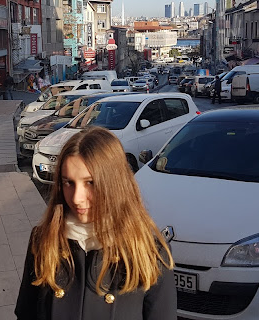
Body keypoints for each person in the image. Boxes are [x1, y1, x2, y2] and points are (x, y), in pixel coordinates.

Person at [15, 127, 176, 320]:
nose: (77, 198)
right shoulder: (43, 241)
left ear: (115, 184)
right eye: (69, 183)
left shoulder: (150, 252)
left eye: (90, 182)